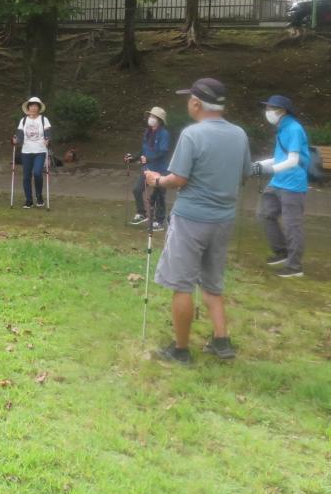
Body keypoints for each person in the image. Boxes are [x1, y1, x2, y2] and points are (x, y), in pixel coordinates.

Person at [143, 78, 250, 364]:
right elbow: (245, 172)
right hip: (224, 219)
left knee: (182, 284)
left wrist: (157, 180)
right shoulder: (239, 134)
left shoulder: (192, 135)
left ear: (196, 103)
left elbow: (178, 179)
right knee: (213, 282)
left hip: (191, 219)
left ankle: (180, 349)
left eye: (189, 99)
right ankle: (221, 341)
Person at [253, 94, 310, 279]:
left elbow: (293, 160)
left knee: (292, 225)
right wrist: (259, 165)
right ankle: (281, 251)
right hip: (278, 180)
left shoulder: (294, 128)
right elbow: (280, 157)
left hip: (293, 182)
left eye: (271, 109)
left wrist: (269, 170)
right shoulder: (282, 128)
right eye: (267, 108)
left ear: (282, 111)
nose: (267, 112)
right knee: (265, 214)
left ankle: (295, 267)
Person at [126, 106, 170, 231]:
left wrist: (148, 159)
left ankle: (159, 221)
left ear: (159, 120)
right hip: (147, 169)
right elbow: (143, 150)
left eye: (153, 117)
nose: (150, 119)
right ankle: (142, 213)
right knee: (136, 190)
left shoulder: (164, 133)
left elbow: (163, 151)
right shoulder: (148, 132)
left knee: (158, 195)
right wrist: (132, 158)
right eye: (150, 116)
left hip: (160, 170)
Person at [12, 96, 52, 209]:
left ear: (38, 108)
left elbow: (48, 133)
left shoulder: (44, 119)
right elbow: (19, 135)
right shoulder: (23, 120)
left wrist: (47, 139)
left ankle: (39, 196)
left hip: (40, 150)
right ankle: (29, 200)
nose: (33, 108)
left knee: (38, 173)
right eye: (31, 106)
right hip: (26, 151)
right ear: (28, 108)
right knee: (26, 176)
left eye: (35, 106)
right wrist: (16, 140)